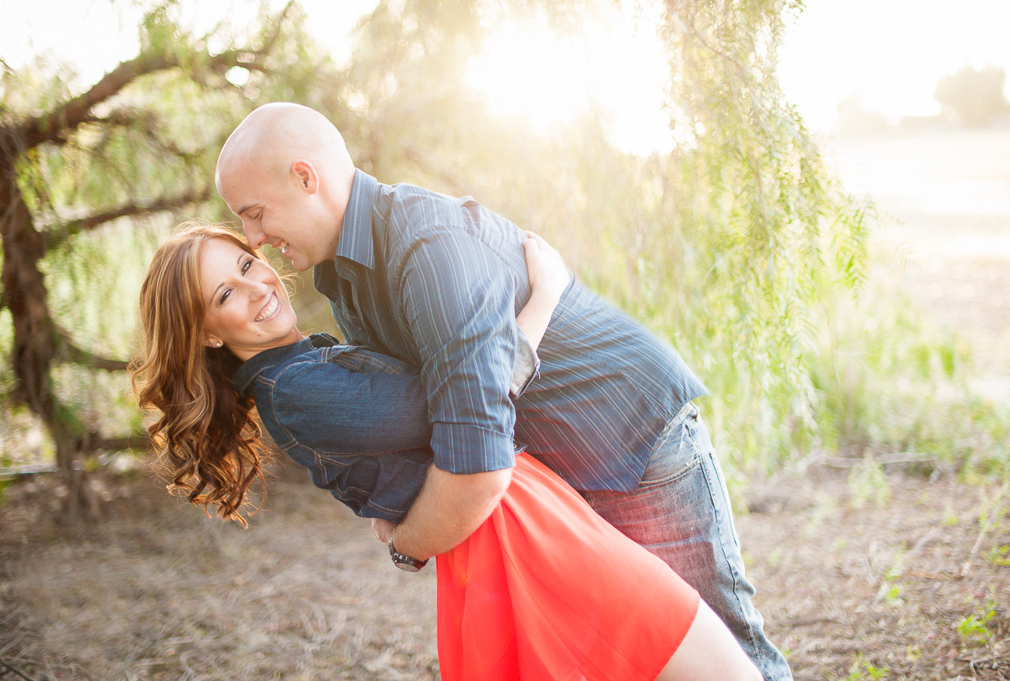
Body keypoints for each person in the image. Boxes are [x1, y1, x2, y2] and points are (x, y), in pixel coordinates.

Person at [214, 102, 792, 680]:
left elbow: (473, 455)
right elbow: (438, 409)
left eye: (255, 214)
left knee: (725, 659)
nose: (254, 238)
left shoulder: (427, 245)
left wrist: (409, 541)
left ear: (305, 178)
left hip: (629, 445)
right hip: (547, 474)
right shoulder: (341, 276)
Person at [131, 222, 761, 681]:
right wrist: (544, 297)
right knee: (722, 670)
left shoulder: (300, 364)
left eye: (245, 265)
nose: (256, 287)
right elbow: (463, 401)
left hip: (513, 515)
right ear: (207, 334)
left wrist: (396, 517)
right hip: (513, 531)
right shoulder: (292, 389)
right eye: (224, 295)